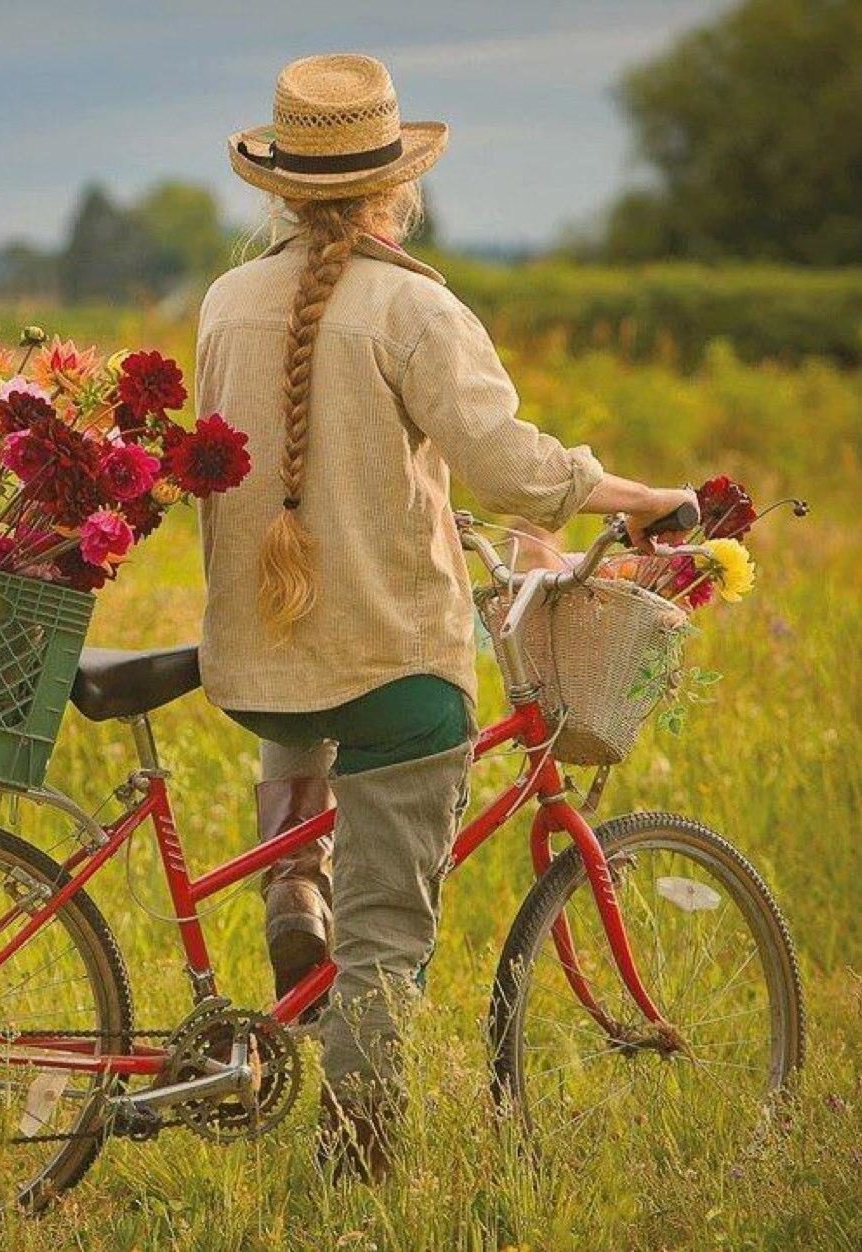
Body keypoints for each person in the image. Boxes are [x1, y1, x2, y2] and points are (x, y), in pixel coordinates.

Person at [194, 53, 693, 1181]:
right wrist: (639, 496)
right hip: (389, 664)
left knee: (309, 764)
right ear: (392, 188)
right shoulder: (413, 307)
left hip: (257, 661)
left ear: (278, 187)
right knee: (390, 933)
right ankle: (356, 1165)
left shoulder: (225, 302)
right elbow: (510, 467)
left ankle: (291, 889)